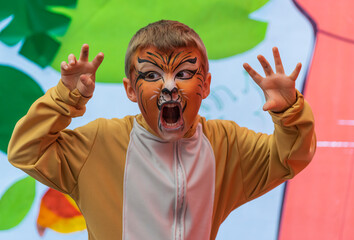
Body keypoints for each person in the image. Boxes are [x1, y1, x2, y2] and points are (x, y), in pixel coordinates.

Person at [8, 20, 316, 240]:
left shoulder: (226, 144)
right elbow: (25, 151)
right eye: (153, 74)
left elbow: (289, 157)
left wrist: (288, 111)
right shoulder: (99, 143)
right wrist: (65, 97)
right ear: (130, 89)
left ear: (205, 84)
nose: (169, 86)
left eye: (182, 73)